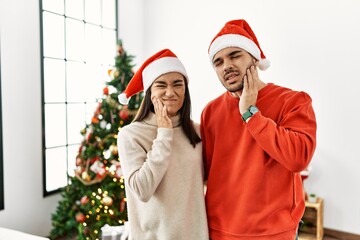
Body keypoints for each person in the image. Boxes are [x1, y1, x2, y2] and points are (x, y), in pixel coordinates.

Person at [201, 19, 317, 240]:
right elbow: (206, 173)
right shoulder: (210, 111)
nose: (226, 66)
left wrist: (250, 113)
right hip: (219, 230)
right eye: (218, 61)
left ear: (254, 59)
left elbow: (298, 159)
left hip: (273, 233)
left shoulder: (293, 101)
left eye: (235, 55)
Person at [117, 49, 209, 240]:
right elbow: (142, 190)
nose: (170, 92)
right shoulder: (130, 135)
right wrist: (164, 132)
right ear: (150, 93)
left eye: (178, 84)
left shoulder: (198, 131)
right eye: (161, 85)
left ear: (185, 91)